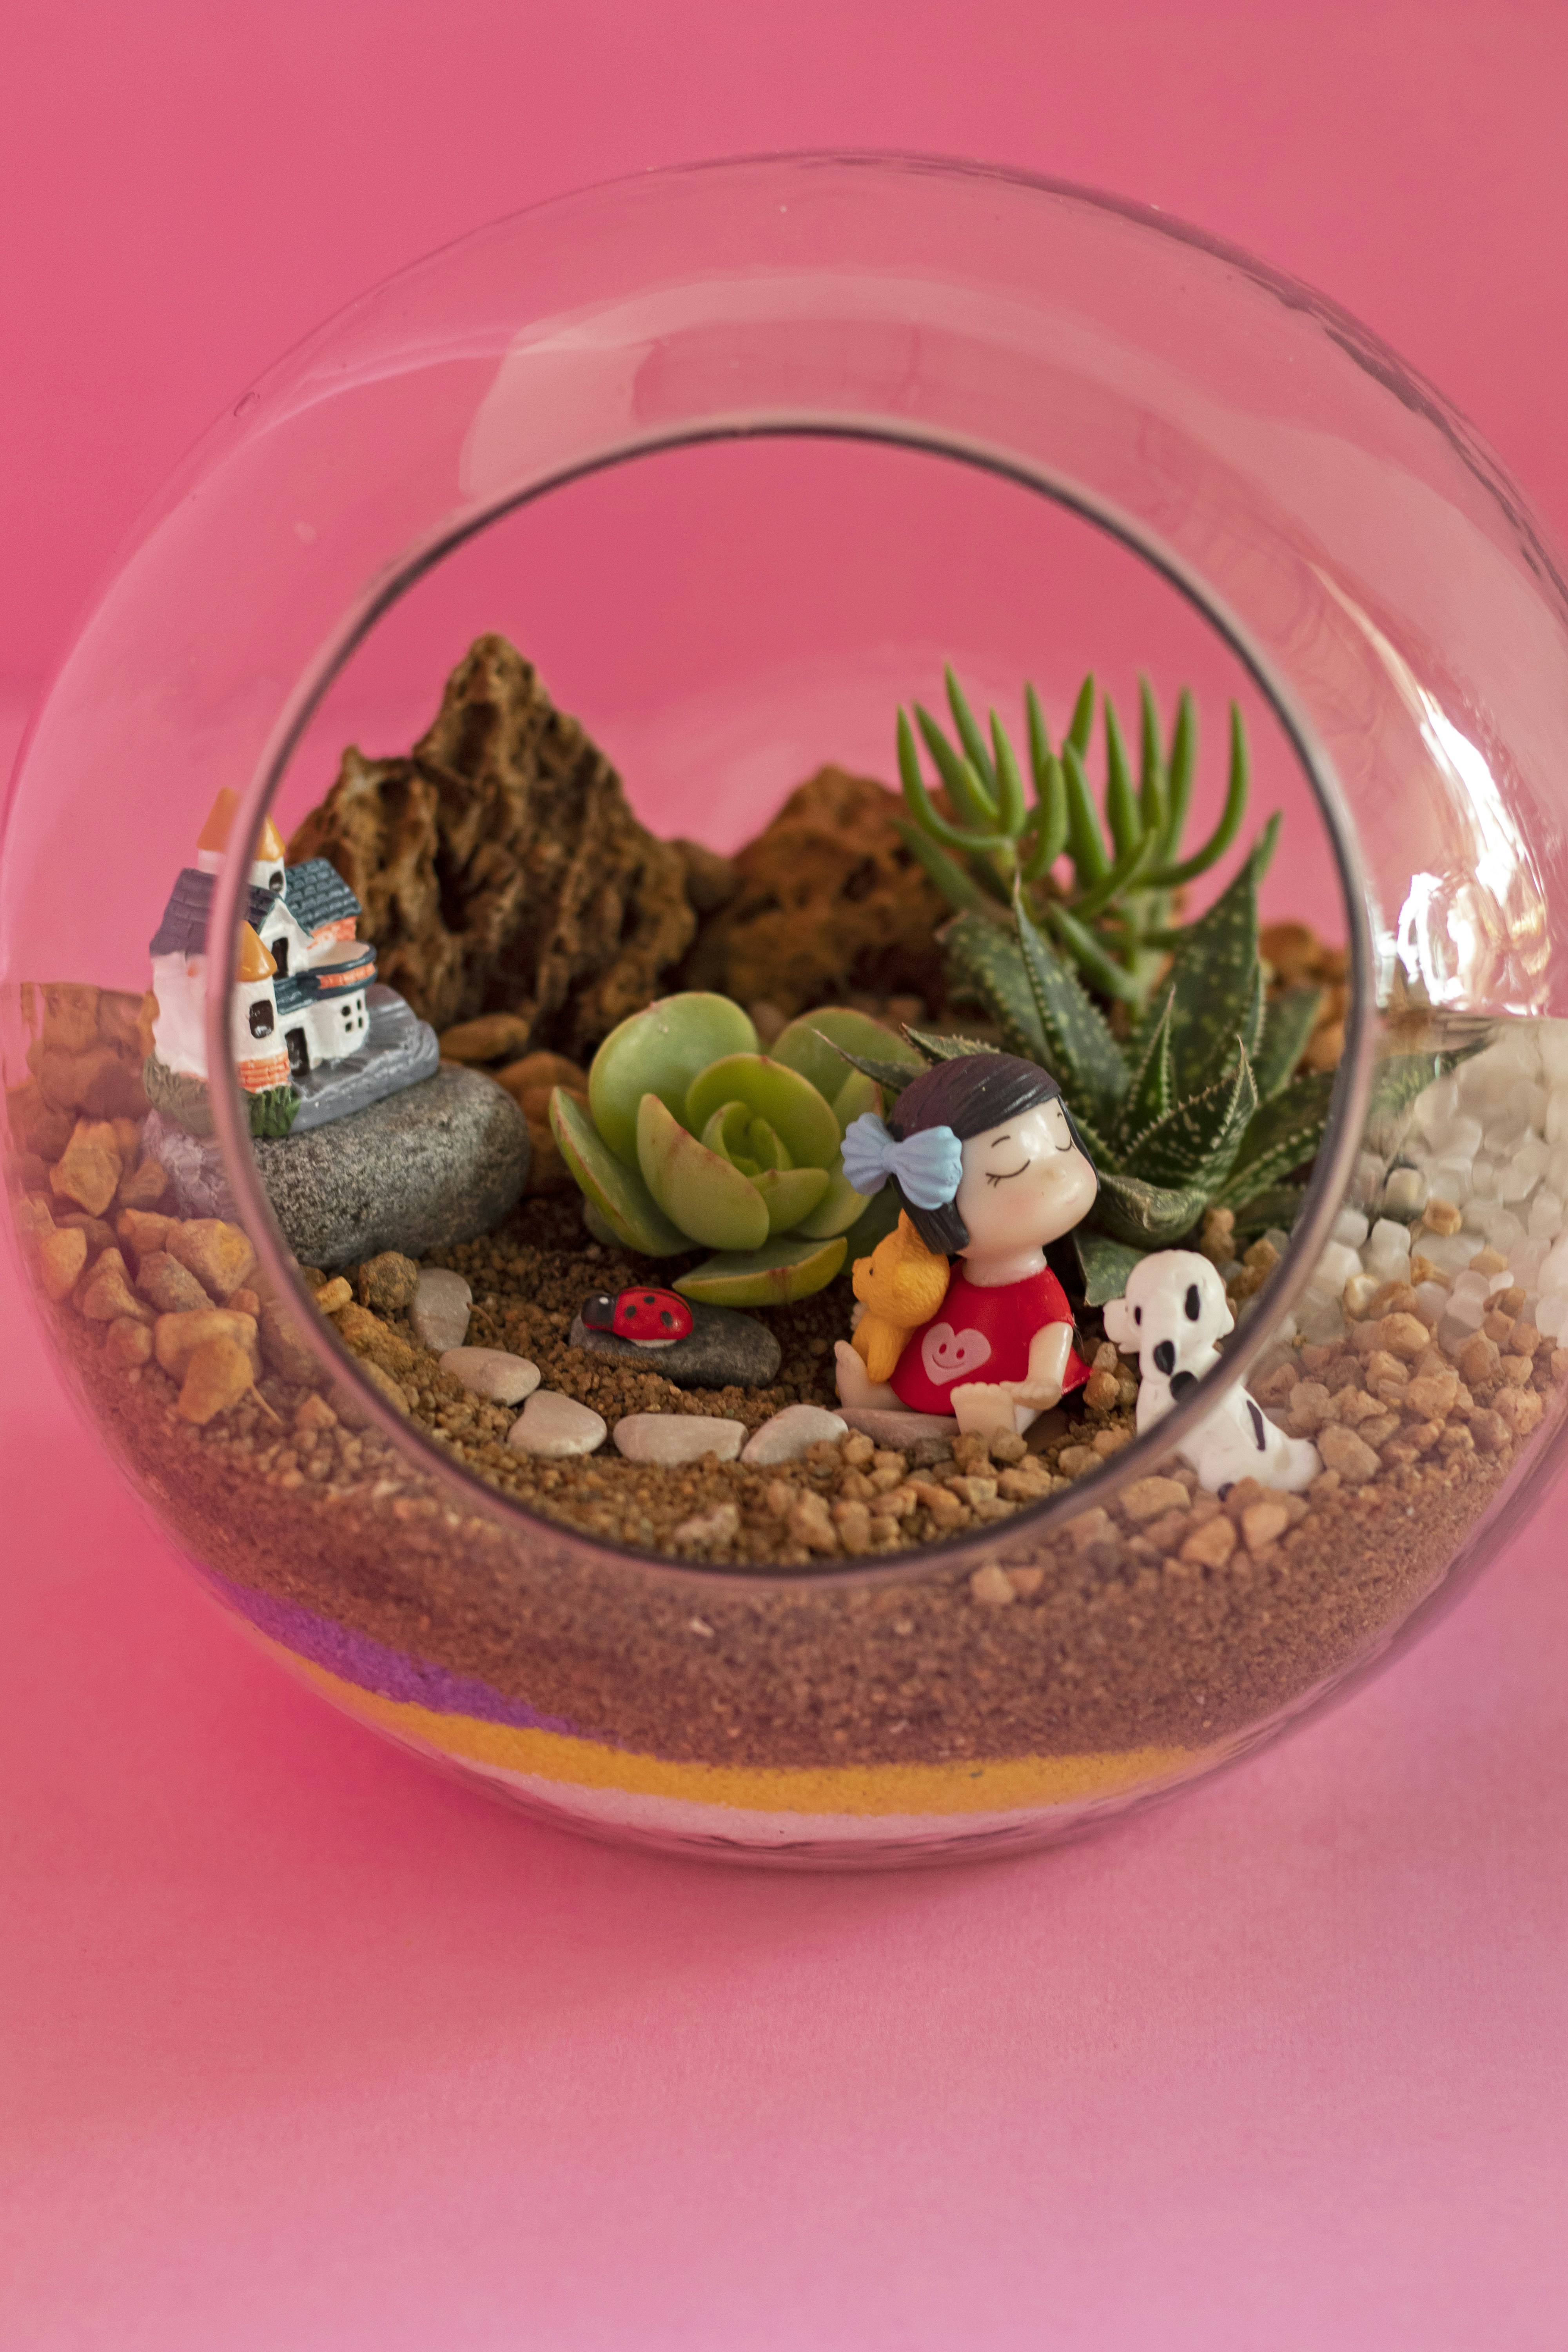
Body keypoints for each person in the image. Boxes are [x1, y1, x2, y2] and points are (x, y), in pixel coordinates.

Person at [834, 1053, 1098, 1438]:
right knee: (919, 1374)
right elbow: (919, 1310)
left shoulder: (1036, 1288)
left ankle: (1004, 1419)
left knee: (1018, 1398)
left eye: (1063, 1143)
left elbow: (1054, 1329)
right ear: (939, 1208)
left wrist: (1044, 1378)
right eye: (1011, 1168)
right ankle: (883, 1398)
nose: (1058, 1171)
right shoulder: (950, 1279)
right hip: (952, 1344)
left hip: (1019, 1371)